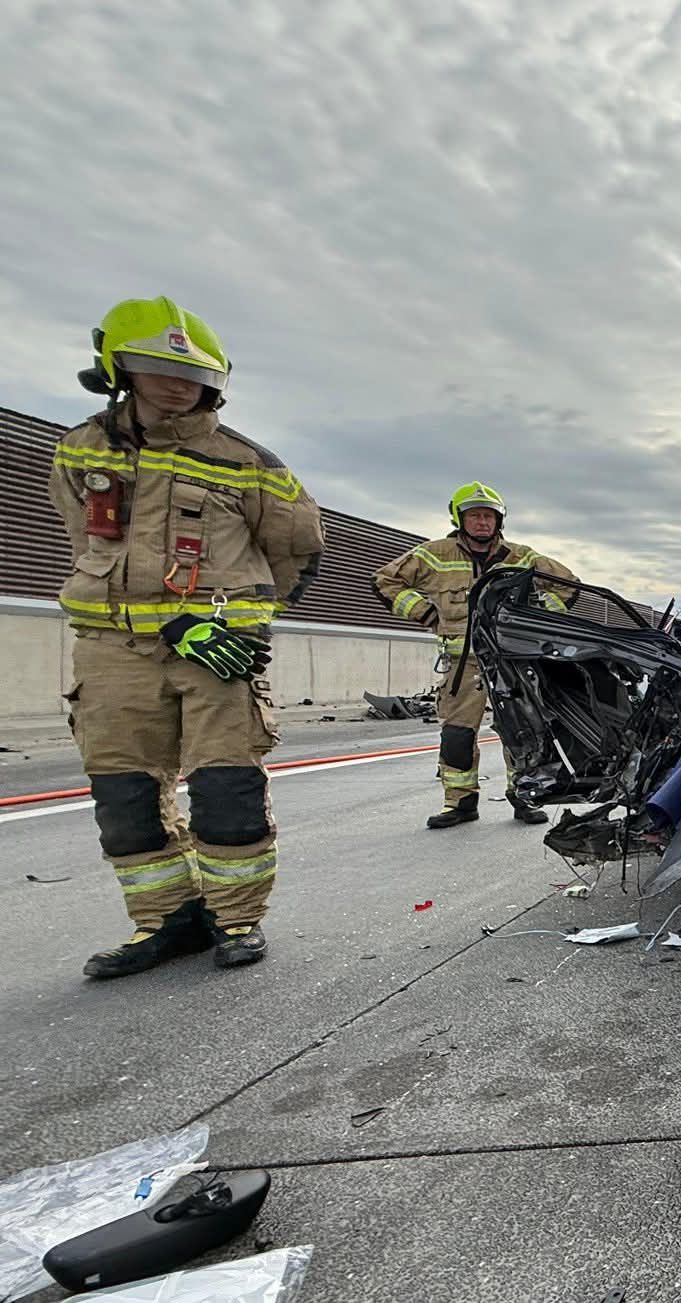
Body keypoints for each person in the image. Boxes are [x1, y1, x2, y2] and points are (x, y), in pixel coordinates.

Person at [49, 297, 325, 979]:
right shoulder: (81, 449)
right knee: (124, 796)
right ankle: (167, 921)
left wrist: (241, 623)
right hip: (112, 653)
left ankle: (236, 920)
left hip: (213, 653)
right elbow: (83, 540)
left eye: (193, 374)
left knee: (227, 788)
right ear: (118, 368)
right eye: (157, 368)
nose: (176, 385)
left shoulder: (250, 464)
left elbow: (295, 552)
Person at [372, 483, 577, 828]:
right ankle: (460, 802)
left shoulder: (522, 557)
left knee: (523, 730)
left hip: (512, 662)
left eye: (488, 516)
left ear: (499, 521)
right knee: (457, 734)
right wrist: (425, 613)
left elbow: (568, 585)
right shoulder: (434, 554)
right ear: (459, 518)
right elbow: (385, 581)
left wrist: (537, 621)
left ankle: (525, 796)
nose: (482, 522)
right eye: (474, 516)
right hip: (463, 665)